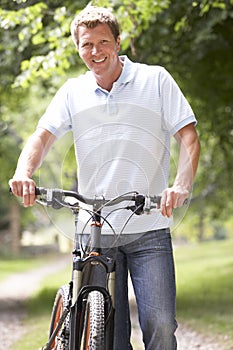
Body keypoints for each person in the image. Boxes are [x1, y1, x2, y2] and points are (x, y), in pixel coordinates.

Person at [9, 5, 200, 350]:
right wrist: (24, 172)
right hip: (94, 231)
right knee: (107, 335)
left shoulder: (154, 80)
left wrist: (182, 184)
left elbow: (188, 136)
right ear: (78, 48)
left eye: (102, 42)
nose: (95, 51)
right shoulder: (72, 91)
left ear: (117, 41)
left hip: (149, 228)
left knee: (159, 326)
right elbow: (41, 137)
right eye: (86, 45)